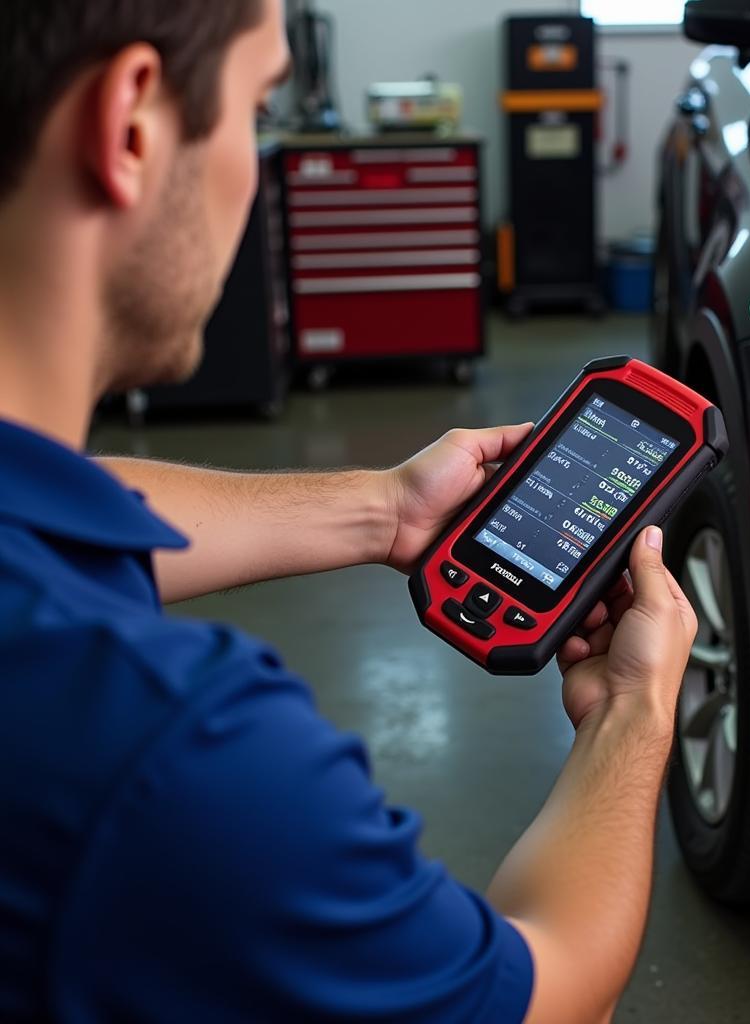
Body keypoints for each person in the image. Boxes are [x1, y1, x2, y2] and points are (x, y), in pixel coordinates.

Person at [0, 2, 698, 1022]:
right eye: (258, 106)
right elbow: (543, 996)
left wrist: (383, 509)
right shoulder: (174, 755)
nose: (256, 155)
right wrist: (631, 718)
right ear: (132, 127)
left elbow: (68, 513)